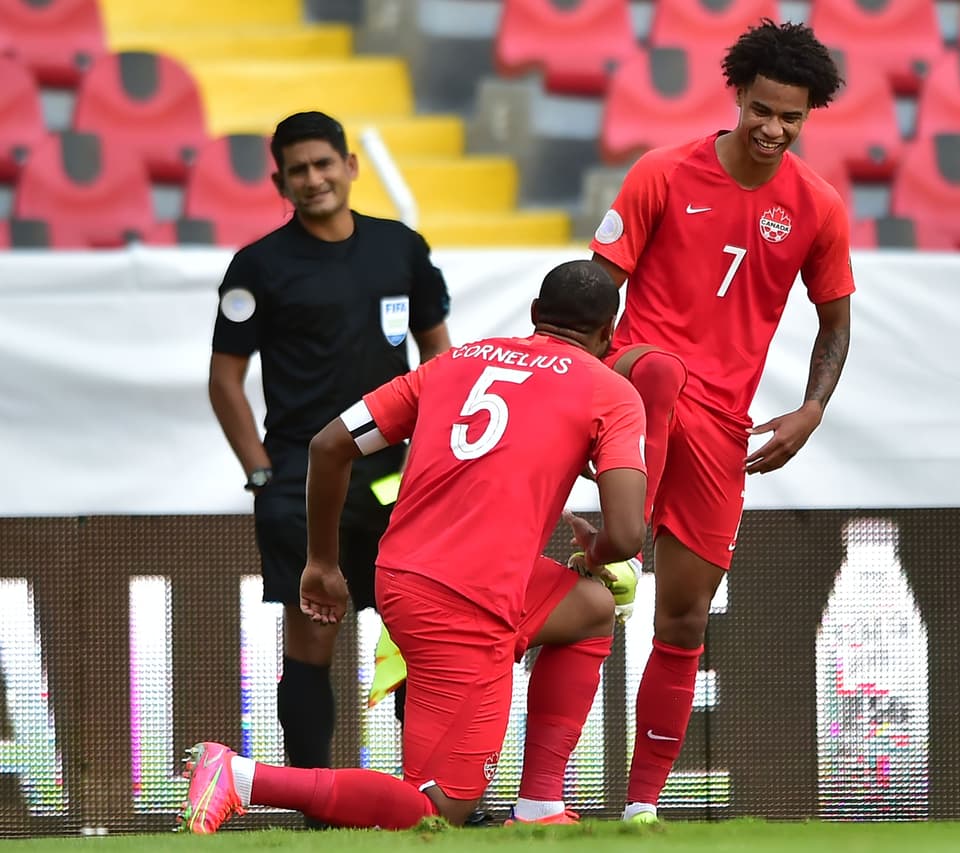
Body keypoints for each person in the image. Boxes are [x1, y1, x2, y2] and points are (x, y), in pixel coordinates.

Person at [179, 259, 648, 833]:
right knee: (439, 808)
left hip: (404, 576)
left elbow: (328, 445)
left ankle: (540, 809)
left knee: (592, 609)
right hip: (467, 602)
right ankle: (240, 776)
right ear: (608, 333)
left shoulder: (456, 361)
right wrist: (596, 551)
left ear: (534, 313)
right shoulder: (611, 391)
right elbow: (627, 535)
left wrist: (321, 563)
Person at [576, 19, 855, 822]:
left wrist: (811, 408)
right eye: (762, 109)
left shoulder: (817, 207)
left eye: (790, 117)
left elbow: (835, 324)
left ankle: (641, 807)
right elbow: (594, 299)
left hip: (721, 424)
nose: (772, 128)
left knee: (686, 616)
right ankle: (622, 536)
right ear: (737, 95)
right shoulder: (661, 173)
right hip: (634, 382)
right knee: (659, 370)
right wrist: (584, 397)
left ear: (807, 116)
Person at [207, 110, 452, 778]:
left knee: (417, 639)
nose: (313, 179)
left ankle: (434, 793)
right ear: (279, 183)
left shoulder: (401, 247)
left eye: (323, 164)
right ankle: (314, 806)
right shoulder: (257, 266)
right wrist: (263, 475)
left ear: (350, 166)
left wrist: (433, 451)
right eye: (298, 171)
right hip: (302, 482)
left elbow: (439, 355)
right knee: (312, 641)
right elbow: (225, 381)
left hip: (398, 476)